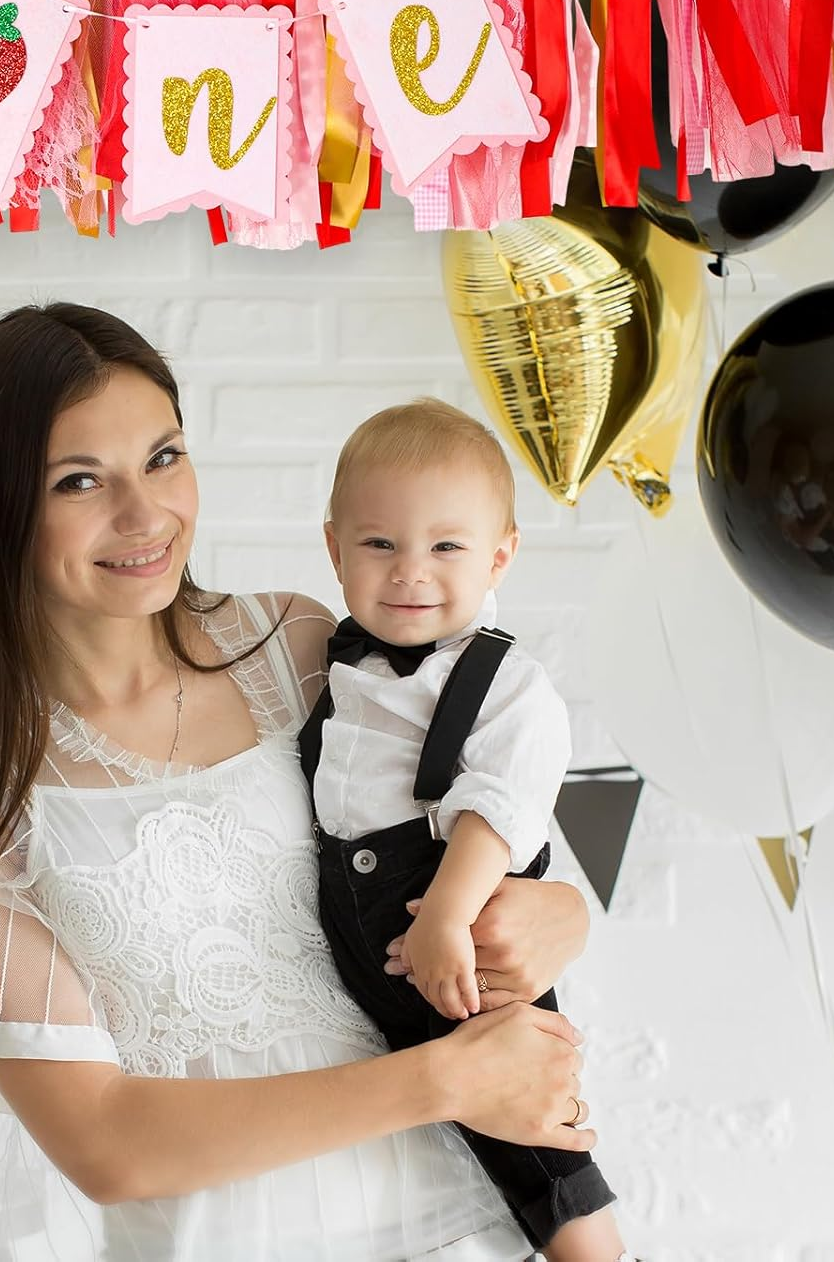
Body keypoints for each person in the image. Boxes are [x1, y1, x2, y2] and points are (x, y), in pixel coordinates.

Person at [0, 303, 598, 1260]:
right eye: (81, 481)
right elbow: (105, 1142)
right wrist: (443, 1081)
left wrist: (561, 913)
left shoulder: (298, 650)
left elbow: (492, 811)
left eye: (164, 457)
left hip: (459, 1223)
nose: (146, 514)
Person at [302, 400, 627, 1261]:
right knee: (443, 1151)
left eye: (446, 547)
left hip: (459, 937)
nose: (411, 572)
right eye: (380, 545)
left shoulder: (504, 681)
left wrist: (447, 914)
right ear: (334, 548)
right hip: (365, 962)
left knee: (534, 1133)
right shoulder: (331, 662)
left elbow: (502, 803)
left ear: (500, 557)